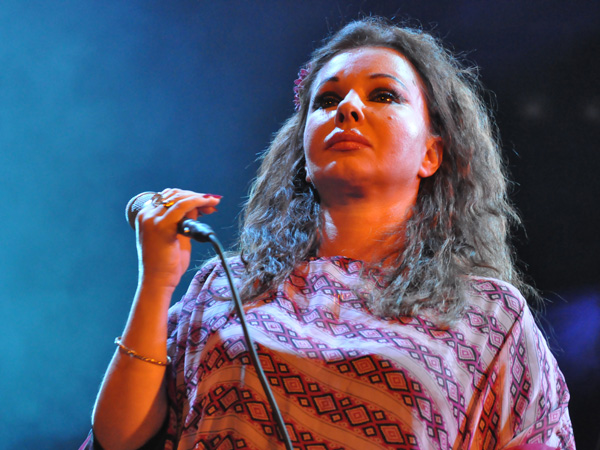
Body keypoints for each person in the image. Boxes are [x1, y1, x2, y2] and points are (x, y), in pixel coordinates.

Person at [82, 17, 575, 450]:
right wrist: (158, 282)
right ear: (302, 152)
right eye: (327, 99)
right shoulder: (225, 286)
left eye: (382, 94)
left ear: (431, 154)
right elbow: (120, 438)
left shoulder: (488, 318)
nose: (349, 108)